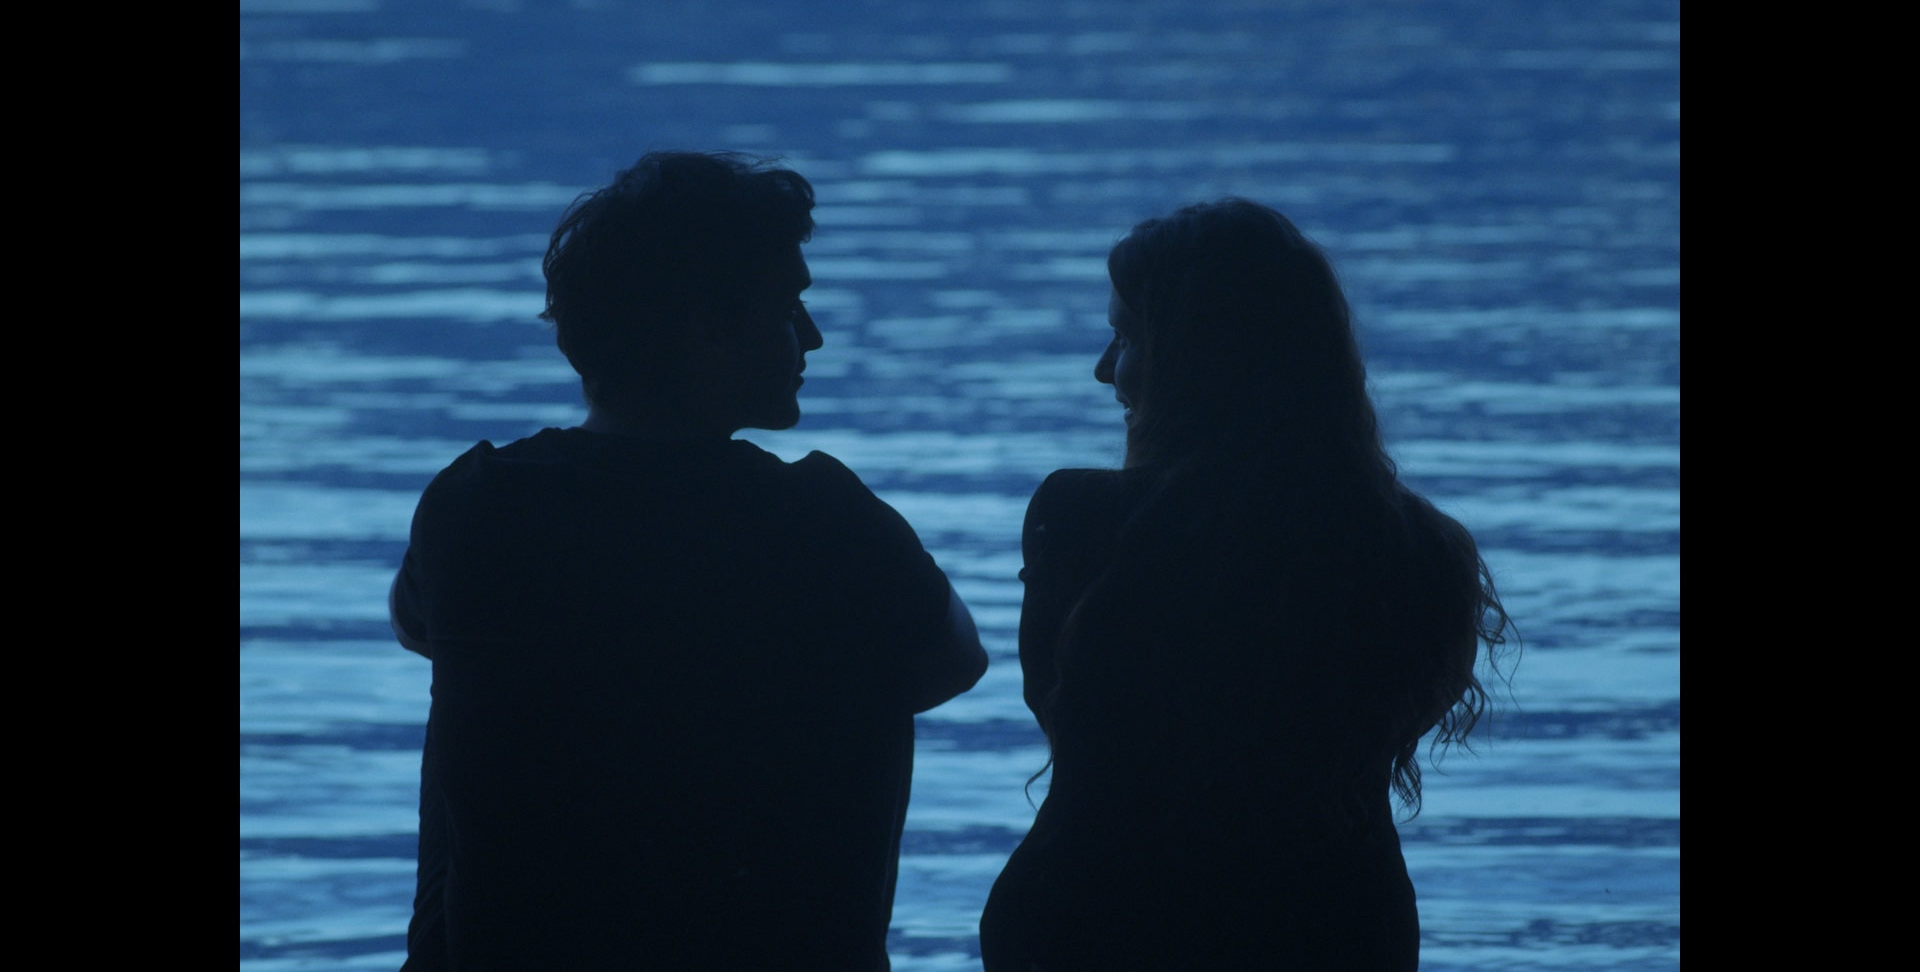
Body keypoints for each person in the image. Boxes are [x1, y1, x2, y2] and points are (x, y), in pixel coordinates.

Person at [389, 151, 989, 970]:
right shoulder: (827, 523)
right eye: (787, 307)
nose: (812, 336)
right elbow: (954, 660)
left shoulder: (474, 504)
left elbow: (419, 629)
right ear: (707, 328)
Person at [978, 199, 1512, 971]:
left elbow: (1058, 709)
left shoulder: (1085, 518)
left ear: (1196, 362)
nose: (1102, 369)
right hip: (1335, 922)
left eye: (1126, 339)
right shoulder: (1418, 550)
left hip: (1095, 913)